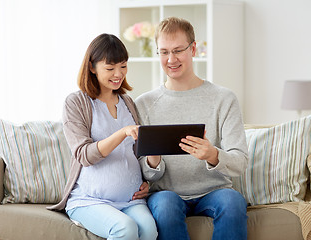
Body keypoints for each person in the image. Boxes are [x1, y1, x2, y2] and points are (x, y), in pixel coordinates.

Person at [135, 17, 249, 240]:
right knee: (165, 206)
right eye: (164, 52)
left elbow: (240, 161)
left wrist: (213, 155)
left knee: (233, 202)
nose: (171, 59)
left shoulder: (223, 99)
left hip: (215, 191)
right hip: (166, 194)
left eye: (178, 50)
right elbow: (141, 170)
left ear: (193, 48)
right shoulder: (143, 104)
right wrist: (153, 161)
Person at [49, 33, 157, 240]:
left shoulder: (128, 103)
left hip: (131, 200)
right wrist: (121, 133)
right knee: (125, 228)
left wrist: (147, 181)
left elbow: (137, 154)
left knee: (149, 231)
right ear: (92, 67)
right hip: (90, 200)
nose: (118, 74)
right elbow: (84, 155)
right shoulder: (76, 103)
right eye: (110, 68)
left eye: (123, 66)